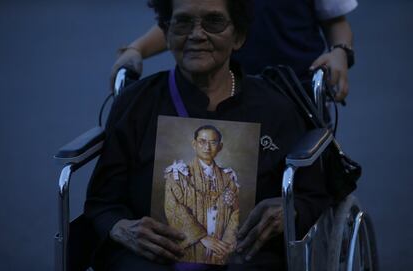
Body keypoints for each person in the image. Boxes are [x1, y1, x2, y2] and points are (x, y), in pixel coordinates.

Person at [85, 0, 331, 270]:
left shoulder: (275, 109)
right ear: (167, 34)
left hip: (245, 256)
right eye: (183, 23)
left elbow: (313, 194)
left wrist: (289, 210)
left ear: (238, 37)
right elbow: (102, 201)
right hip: (150, 255)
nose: (197, 34)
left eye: (213, 22)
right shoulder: (137, 105)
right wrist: (122, 228)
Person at [110, 0, 357, 102]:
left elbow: (336, 23)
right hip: (222, 92)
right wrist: (137, 49)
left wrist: (340, 53)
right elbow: (187, 19)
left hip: (295, 92)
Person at [164, 125, 239, 265]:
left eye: (213, 142)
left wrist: (226, 245)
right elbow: (173, 208)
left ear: (220, 146)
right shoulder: (177, 176)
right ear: (194, 144)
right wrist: (202, 237)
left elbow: (236, 212)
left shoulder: (229, 179)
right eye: (202, 141)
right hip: (190, 252)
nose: (207, 147)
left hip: (221, 252)